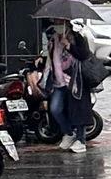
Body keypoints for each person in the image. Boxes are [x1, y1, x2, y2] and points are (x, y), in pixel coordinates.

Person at [38, 19, 94, 155]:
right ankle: (69, 133)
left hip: (75, 81)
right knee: (55, 109)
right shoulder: (53, 38)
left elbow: (84, 55)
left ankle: (81, 140)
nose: (56, 23)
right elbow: (52, 58)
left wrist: (68, 45)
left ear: (66, 22)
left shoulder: (77, 37)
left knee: (77, 110)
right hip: (58, 81)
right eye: (55, 21)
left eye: (59, 21)